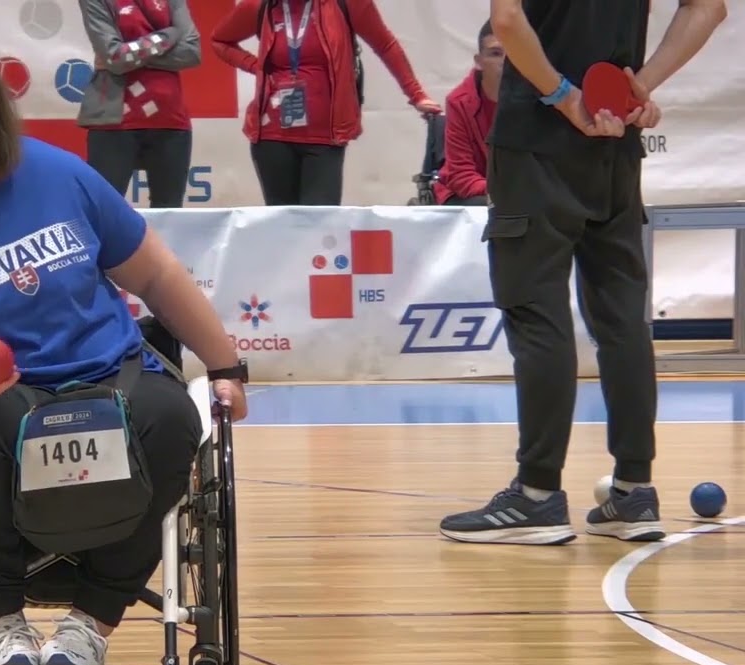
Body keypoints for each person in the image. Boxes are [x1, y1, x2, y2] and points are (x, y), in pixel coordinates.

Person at [0, 1, 249, 665]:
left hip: (109, 376)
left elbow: (156, 272)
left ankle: (92, 623)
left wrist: (227, 366)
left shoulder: (58, 172)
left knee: (170, 419)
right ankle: (1, 620)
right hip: (1, 395)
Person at [439, 0, 728, 546]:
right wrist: (638, 86)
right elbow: (708, 9)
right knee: (621, 321)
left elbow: (507, 21)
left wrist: (563, 95)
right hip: (614, 147)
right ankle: (633, 493)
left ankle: (537, 496)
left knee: (536, 312)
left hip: (534, 143)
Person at [211, 0, 438, 206]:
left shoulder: (347, 4)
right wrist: (256, 67)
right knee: (281, 225)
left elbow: (385, 45)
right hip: (272, 137)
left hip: (326, 137)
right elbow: (220, 40)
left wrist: (416, 95)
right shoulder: (261, 6)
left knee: (320, 225)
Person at [76, 0, 201, 208]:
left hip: (170, 119)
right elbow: (114, 56)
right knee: (104, 211)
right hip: (114, 120)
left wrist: (128, 55)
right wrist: (167, 35)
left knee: (169, 214)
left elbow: (192, 53)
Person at [432, 20, 504, 207]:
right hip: (468, 194)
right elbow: (461, 176)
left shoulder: (535, 98)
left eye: (514, 54)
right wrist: (504, 193)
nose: (506, 62)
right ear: (479, 62)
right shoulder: (458, 101)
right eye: (496, 54)